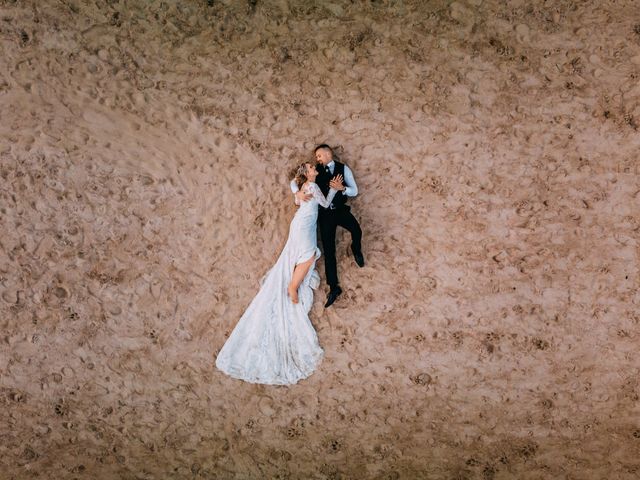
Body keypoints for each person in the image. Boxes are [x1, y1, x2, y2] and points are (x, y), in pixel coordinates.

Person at [215, 162, 342, 385]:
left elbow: (294, 186)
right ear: (308, 173)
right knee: (309, 254)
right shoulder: (311, 187)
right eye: (312, 167)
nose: (314, 168)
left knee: (304, 254)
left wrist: (298, 190)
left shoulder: (302, 189)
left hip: (301, 224)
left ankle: (293, 283)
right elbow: (326, 203)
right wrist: (334, 188)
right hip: (304, 227)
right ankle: (293, 286)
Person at [290, 144, 364, 308]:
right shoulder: (315, 171)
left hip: (339, 210)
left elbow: (355, 191)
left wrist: (342, 188)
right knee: (329, 251)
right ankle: (334, 287)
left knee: (356, 230)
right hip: (324, 216)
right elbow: (294, 181)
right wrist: (297, 193)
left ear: (328, 153)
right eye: (316, 157)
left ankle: (356, 249)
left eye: (319, 155)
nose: (317, 159)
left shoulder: (344, 169)